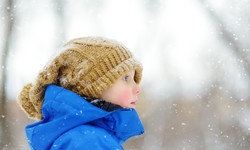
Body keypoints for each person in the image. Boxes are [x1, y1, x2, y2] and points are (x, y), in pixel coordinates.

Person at [17, 37, 144, 150]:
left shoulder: (77, 136)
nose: (137, 88)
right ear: (93, 86)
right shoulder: (90, 141)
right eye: (125, 78)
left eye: (135, 79)